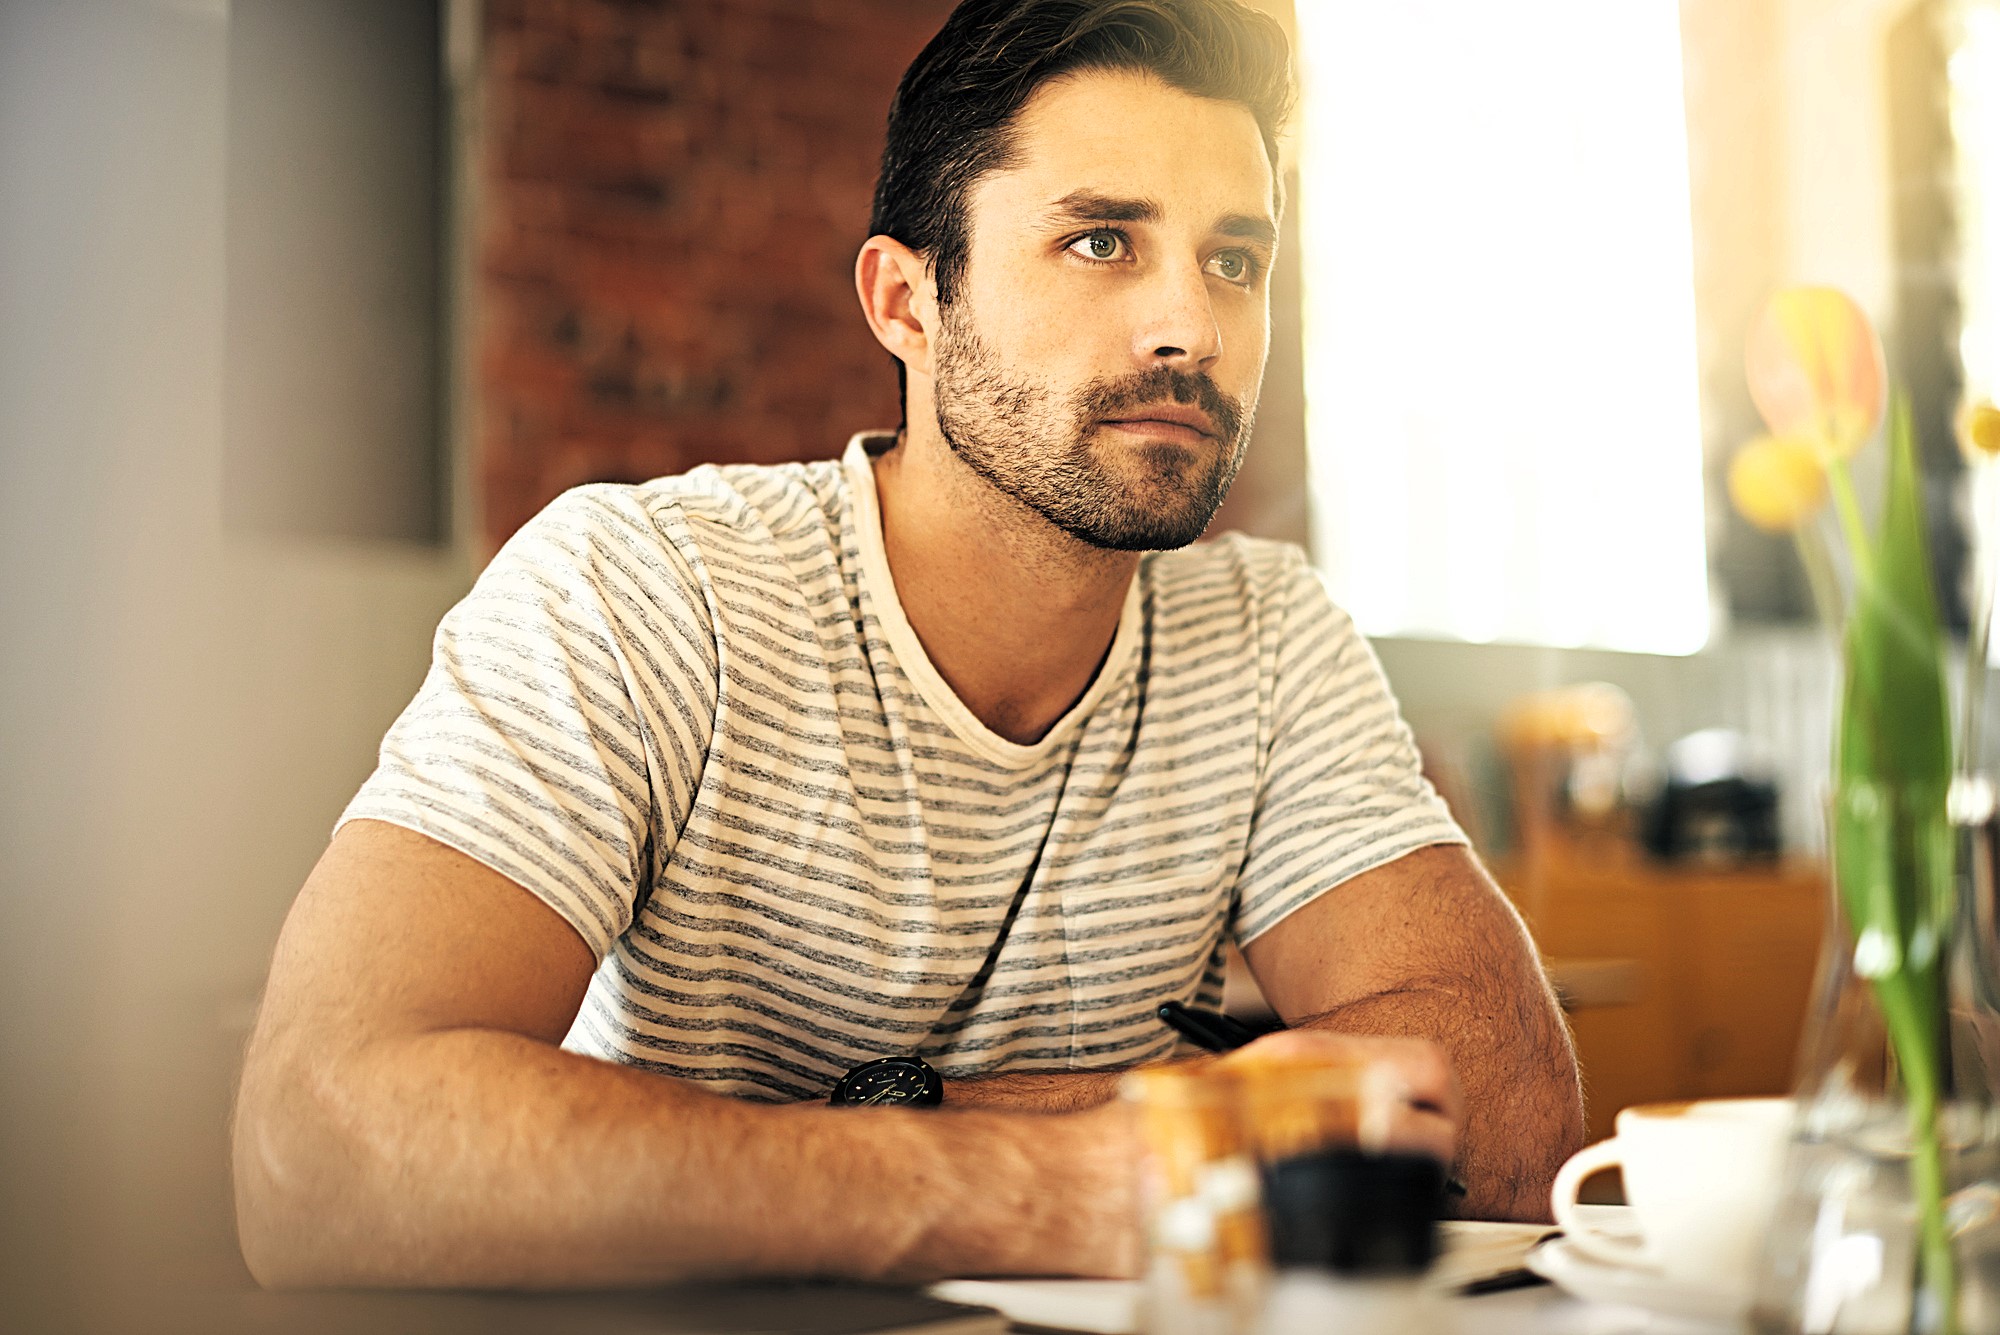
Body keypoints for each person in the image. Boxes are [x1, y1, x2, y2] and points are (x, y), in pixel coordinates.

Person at [232, 0, 1583, 1289]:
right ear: (907, 302)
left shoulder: (1269, 637)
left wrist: (940, 1109)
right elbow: (320, 1143)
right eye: (1104, 241)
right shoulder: (644, 589)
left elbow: (1514, 1122)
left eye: (1235, 258)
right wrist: (1057, 1188)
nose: (1192, 326)